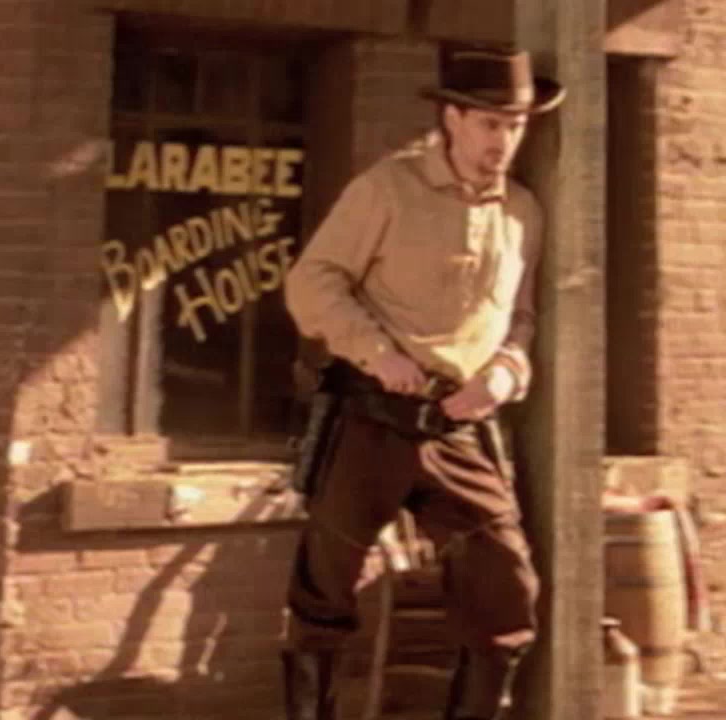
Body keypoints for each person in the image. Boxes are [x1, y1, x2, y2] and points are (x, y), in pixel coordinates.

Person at [279, 44, 564, 720]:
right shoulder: (386, 189)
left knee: (507, 591)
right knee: (325, 593)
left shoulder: (522, 211)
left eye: (516, 125)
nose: (503, 141)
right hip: (370, 417)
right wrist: (378, 354)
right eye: (490, 123)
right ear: (453, 119)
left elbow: (521, 318)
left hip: (458, 427)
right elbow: (311, 283)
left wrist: (506, 374)